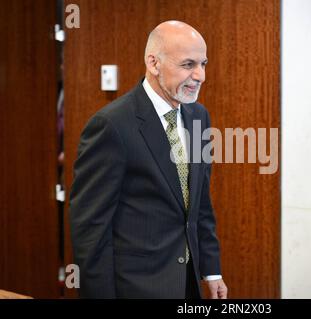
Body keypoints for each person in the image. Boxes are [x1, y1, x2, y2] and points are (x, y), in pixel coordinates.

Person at [70, 20, 227, 299]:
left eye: (203, 63)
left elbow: (200, 202)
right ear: (154, 63)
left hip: (188, 284)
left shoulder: (199, 117)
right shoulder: (112, 125)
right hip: (136, 287)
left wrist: (212, 271)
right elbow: (90, 229)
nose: (200, 75)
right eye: (188, 64)